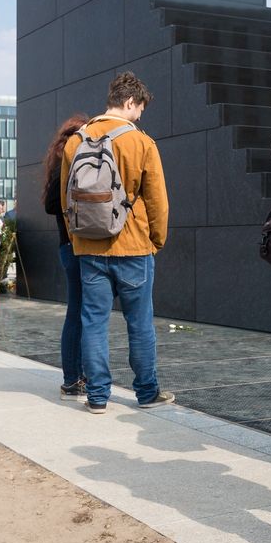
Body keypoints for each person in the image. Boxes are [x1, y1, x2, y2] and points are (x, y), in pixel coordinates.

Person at [60, 71, 172, 414]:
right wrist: (156, 240)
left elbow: (67, 201)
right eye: (139, 109)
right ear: (128, 102)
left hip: (89, 248)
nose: (140, 116)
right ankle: (146, 392)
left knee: (93, 322)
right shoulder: (141, 142)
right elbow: (157, 201)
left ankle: (96, 397)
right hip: (135, 247)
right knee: (139, 323)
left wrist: (79, 239)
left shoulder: (75, 141)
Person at [44, 114, 90, 399]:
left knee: (83, 312)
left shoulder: (64, 160)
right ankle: (73, 378)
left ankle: (78, 375)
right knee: (78, 312)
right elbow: (51, 204)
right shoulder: (68, 161)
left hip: (72, 245)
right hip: (74, 245)